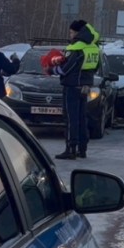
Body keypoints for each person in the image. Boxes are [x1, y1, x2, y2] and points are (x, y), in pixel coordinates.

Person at [48, 20, 100, 160]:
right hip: (85, 87)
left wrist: (51, 70)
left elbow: (66, 69)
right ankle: (82, 149)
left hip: (72, 86)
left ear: (78, 32)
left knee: (71, 118)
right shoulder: (94, 47)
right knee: (82, 117)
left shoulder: (76, 48)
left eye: (71, 32)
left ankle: (70, 149)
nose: (70, 35)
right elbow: (96, 67)